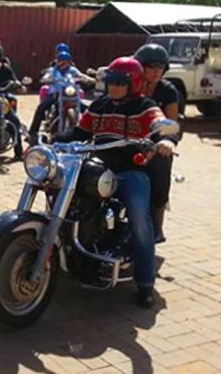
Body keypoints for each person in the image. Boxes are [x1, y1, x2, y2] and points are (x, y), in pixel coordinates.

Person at [54, 57, 177, 309]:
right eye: (110, 82)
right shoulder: (99, 105)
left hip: (131, 173)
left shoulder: (145, 106)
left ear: (134, 84)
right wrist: (51, 140)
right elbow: (79, 132)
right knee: (65, 199)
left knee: (140, 221)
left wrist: (168, 139)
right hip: (97, 170)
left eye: (120, 83)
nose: (113, 88)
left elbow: (164, 124)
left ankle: (145, 283)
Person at [135, 43, 178, 243]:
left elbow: (171, 124)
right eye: (151, 66)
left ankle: (157, 223)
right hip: (126, 140)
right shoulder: (129, 86)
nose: (156, 71)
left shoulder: (167, 90)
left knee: (161, 167)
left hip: (154, 144)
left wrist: (167, 141)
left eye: (161, 67)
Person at [28, 50, 94, 145]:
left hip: (70, 94)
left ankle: (91, 133)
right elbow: (46, 76)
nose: (62, 62)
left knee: (88, 110)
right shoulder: (53, 70)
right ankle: (33, 132)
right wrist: (46, 79)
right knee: (42, 106)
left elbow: (81, 75)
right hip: (55, 94)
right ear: (57, 61)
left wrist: (90, 79)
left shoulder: (73, 70)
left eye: (65, 61)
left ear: (69, 61)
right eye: (60, 60)